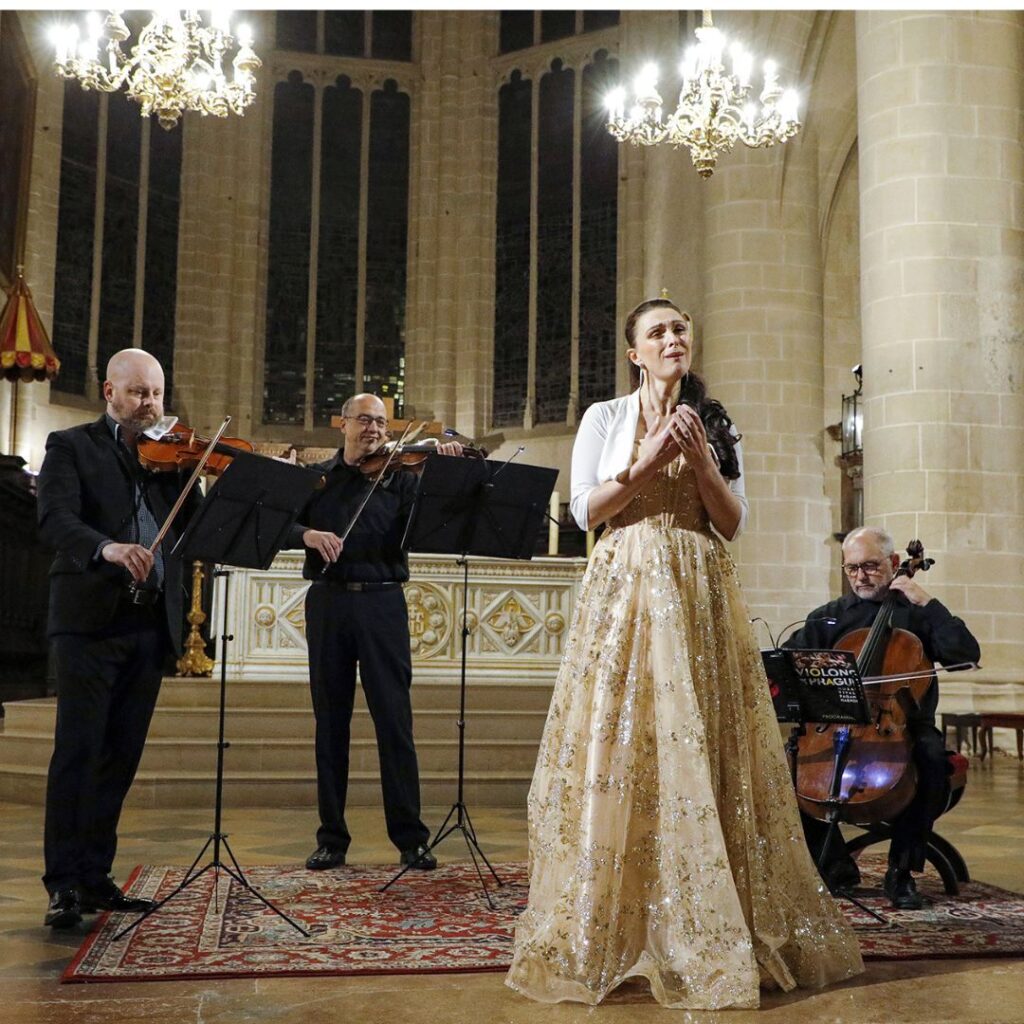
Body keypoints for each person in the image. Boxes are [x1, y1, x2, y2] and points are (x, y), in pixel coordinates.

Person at [506, 298, 864, 1010]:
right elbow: (587, 511)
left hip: (699, 585)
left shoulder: (719, 423)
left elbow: (732, 522)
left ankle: (714, 922)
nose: (673, 339)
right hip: (628, 588)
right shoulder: (604, 418)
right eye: (657, 332)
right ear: (634, 352)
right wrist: (646, 461)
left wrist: (700, 459)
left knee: (708, 742)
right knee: (626, 744)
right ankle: (611, 927)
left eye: (680, 329)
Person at [37, 349, 201, 928]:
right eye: (137, 393)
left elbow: (193, 532)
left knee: (120, 758)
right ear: (110, 392)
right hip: (89, 623)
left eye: (155, 393)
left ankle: (95, 876)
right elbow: (54, 518)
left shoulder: (170, 458)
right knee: (78, 754)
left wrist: (189, 474)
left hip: (148, 625)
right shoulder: (71, 446)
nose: (149, 403)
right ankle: (62, 882)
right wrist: (105, 547)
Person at [291, 394, 462, 872]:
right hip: (329, 601)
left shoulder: (401, 479)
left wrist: (440, 478)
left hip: (384, 601)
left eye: (383, 423)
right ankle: (331, 839)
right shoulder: (320, 479)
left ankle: (411, 839)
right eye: (365, 420)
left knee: (394, 722)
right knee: (331, 722)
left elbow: (434, 526)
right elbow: (282, 521)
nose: (375, 430)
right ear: (343, 423)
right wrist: (305, 534)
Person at [784, 525, 980, 909]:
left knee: (929, 759)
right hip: (836, 724)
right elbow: (791, 666)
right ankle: (837, 866)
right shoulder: (829, 618)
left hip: (905, 728)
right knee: (787, 767)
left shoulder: (918, 614)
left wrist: (926, 600)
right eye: (852, 568)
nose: (861, 576)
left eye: (871, 566)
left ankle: (900, 870)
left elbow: (964, 654)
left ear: (893, 564)